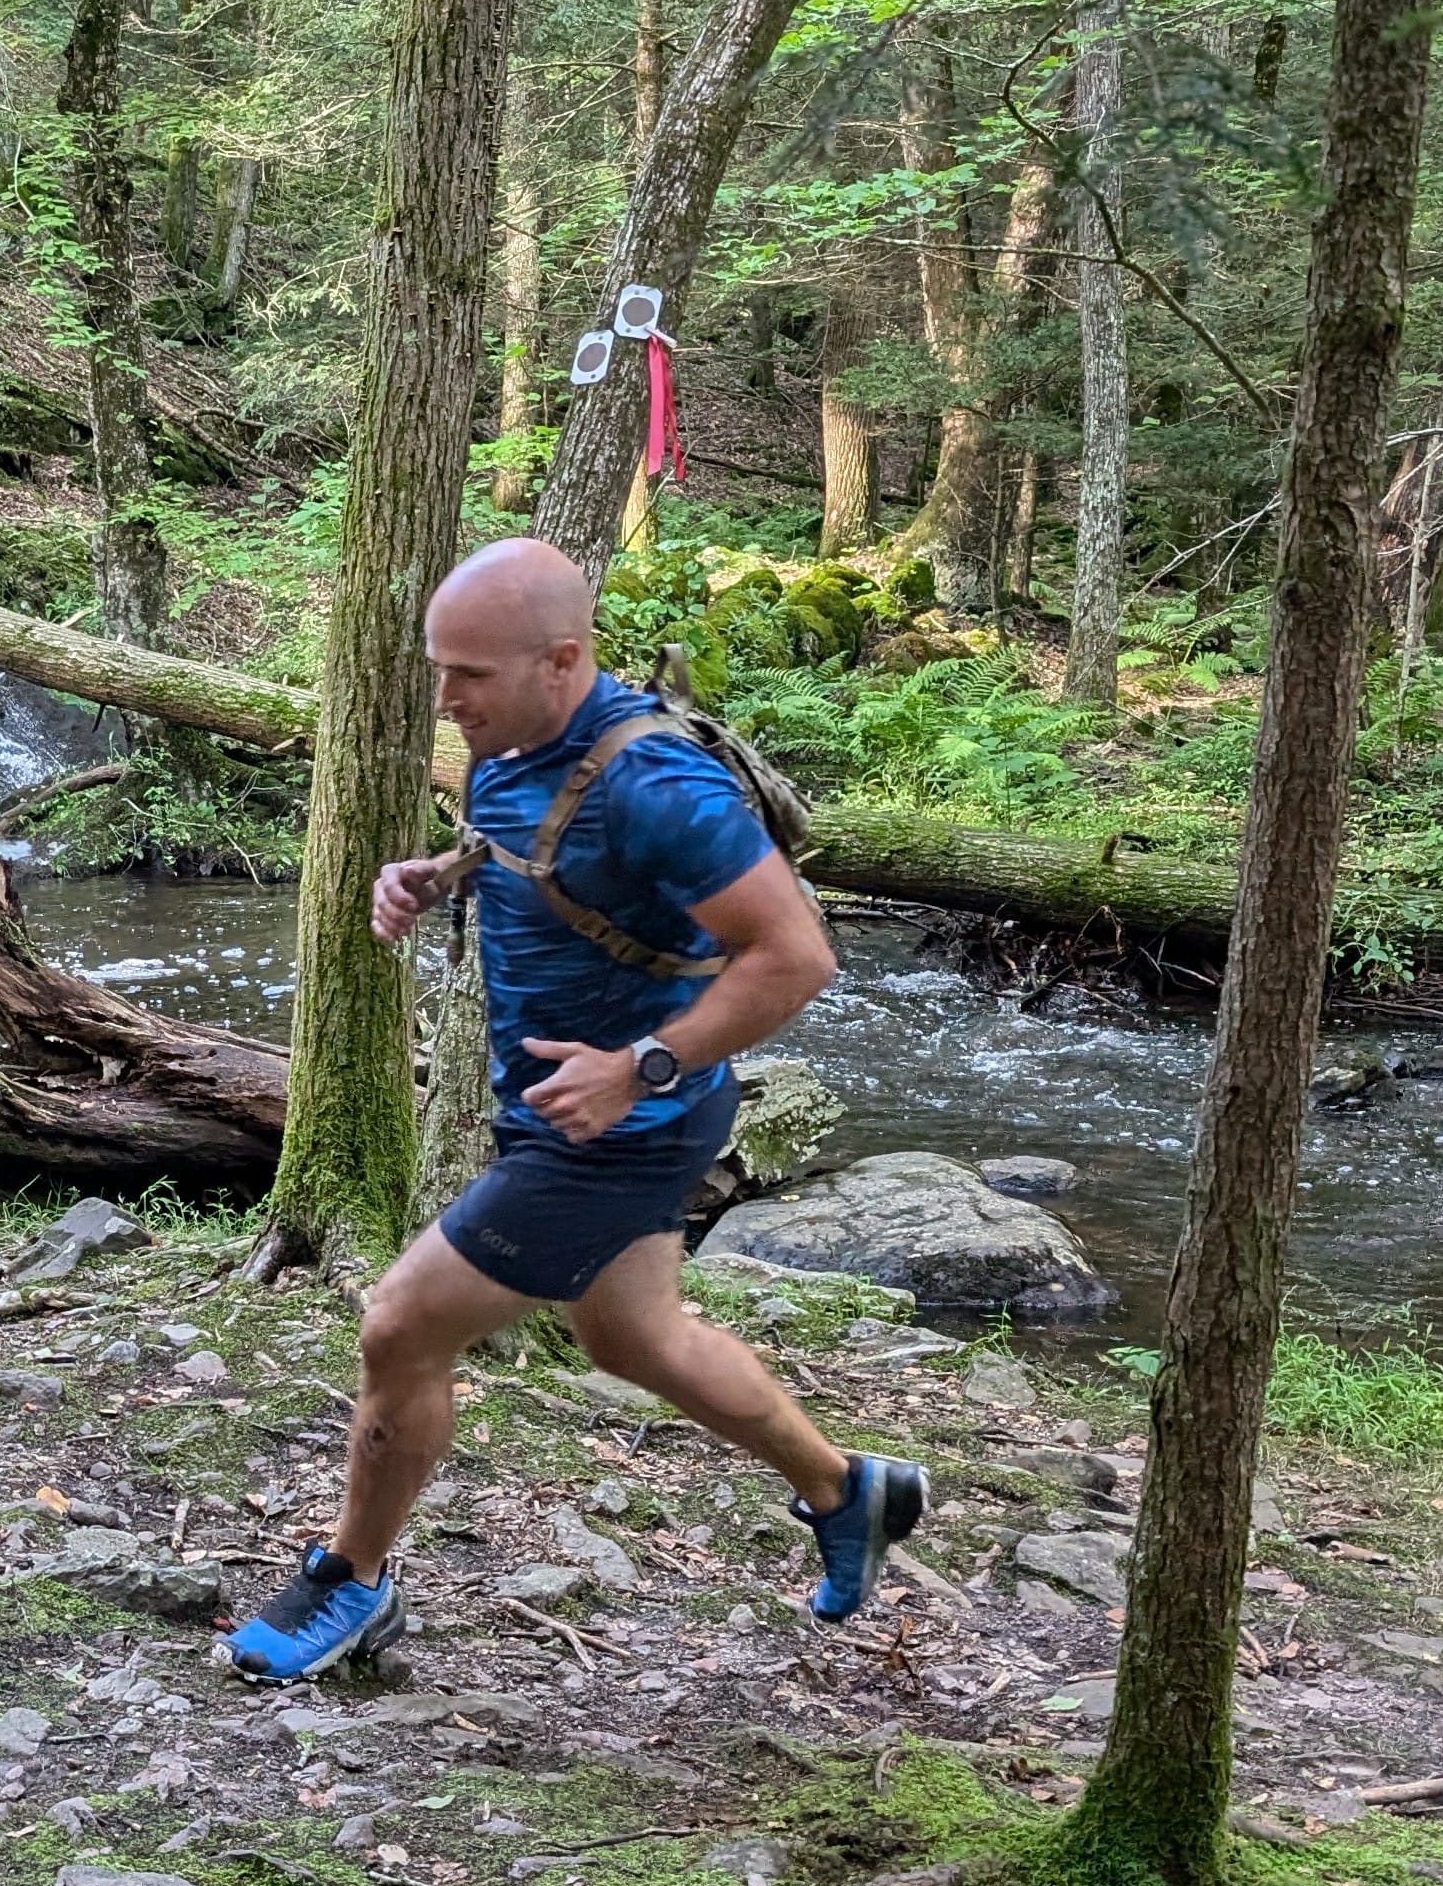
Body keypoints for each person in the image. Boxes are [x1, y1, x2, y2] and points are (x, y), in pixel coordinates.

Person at [225, 537, 929, 1683]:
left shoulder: (659, 787)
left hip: (616, 1128)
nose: (445, 700)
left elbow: (796, 958)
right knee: (631, 1336)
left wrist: (637, 1065)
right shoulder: (511, 741)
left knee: (398, 1325)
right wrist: (434, 875)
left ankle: (348, 1585)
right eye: (437, 671)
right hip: (579, 1111)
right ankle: (849, 1491)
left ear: (561, 660)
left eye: (468, 676)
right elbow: (536, 852)